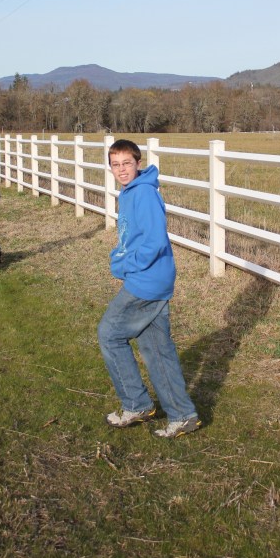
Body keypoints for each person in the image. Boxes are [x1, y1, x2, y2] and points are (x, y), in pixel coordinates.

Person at [98, 139, 201, 439]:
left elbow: (154, 241)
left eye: (127, 163)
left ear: (138, 163)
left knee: (109, 334)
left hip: (146, 280)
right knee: (156, 348)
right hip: (155, 279)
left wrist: (127, 265)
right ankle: (182, 415)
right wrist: (120, 257)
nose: (121, 170)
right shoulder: (131, 191)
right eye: (115, 165)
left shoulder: (143, 193)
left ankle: (136, 404)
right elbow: (131, 237)